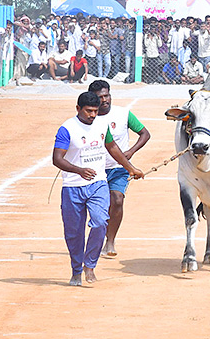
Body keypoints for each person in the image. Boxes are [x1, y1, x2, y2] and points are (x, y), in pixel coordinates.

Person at [52, 91, 143, 286]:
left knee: (101, 222)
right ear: (78, 109)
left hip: (98, 184)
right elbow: (57, 159)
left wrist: (131, 168)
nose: (92, 115)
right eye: (88, 111)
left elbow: (112, 148)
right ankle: (76, 270)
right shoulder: (66, 129)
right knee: (74, 233)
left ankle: (90, 265)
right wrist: (79, 170)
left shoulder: (102, 125)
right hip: (73, 187)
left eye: (95, 111)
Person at [88, 80, 151, 259]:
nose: (105, 100)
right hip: (96, 170)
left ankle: (110, 241)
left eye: (107, 95)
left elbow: (145, 134)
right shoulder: (89, 117)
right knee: (98, 208)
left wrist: (130, 152)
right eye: (100, 97)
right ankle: (96, 239)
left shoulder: (123, 114)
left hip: (119, 168)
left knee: (117, 200)